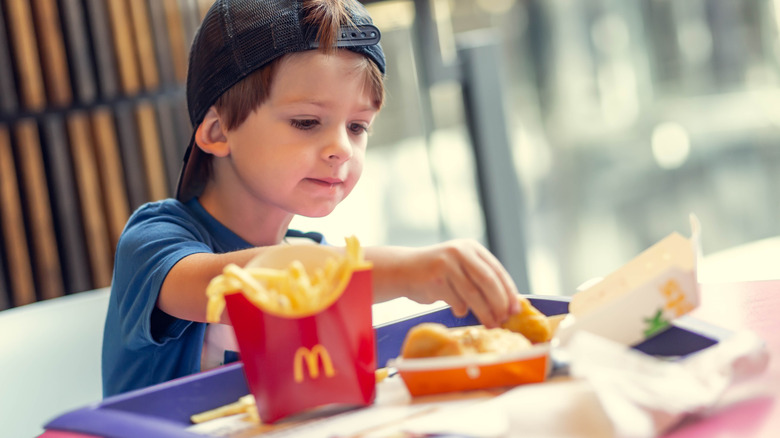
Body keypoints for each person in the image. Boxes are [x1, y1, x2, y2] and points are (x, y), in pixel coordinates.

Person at [101, 0, 521, 397]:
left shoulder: (312, 254)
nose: (341, 147)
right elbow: (250, 286)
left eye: (358, 127)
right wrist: (409, 270)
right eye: (307, 122)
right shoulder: (153, 243)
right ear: (217, 131)